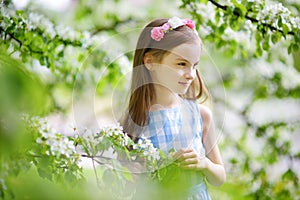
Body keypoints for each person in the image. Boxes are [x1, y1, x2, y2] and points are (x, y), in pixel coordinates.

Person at [120, 16, 226, 199]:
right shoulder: (131, 121)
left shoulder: (200, 115)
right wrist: (134, 174)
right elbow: (123, 183)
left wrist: (204, 164)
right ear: (150, 62)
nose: (191, 75)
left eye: (194, 66)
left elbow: (220, 178)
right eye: (182, 64)